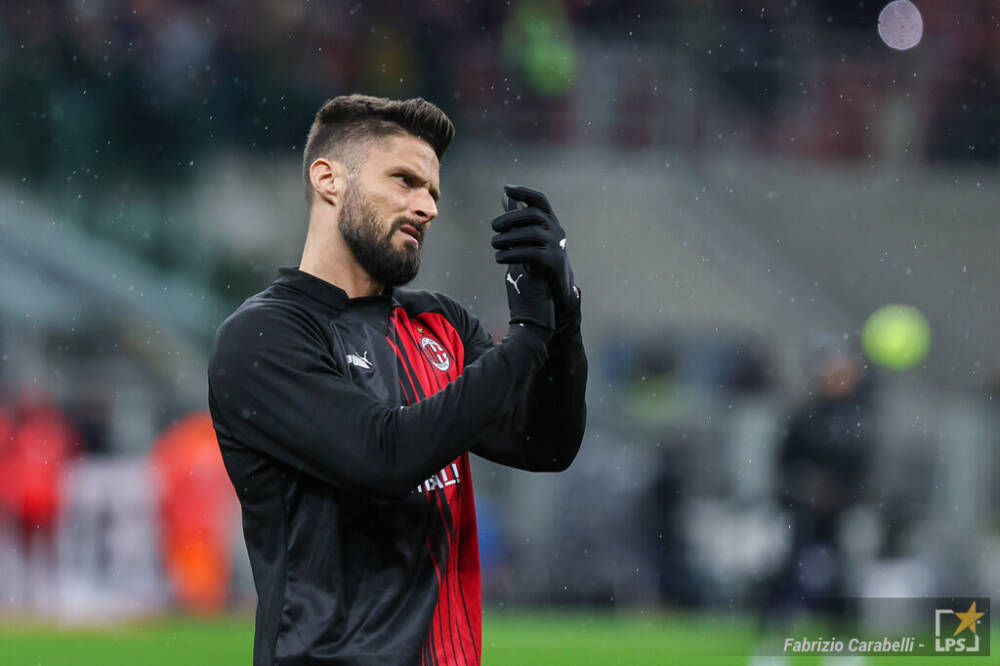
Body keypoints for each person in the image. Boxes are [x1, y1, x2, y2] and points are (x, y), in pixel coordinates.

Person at [207, 94, 587, 665]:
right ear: (329, 179)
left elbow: (545, 443)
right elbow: (385, 457)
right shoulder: (264, 336)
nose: (427, 206)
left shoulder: (441, 323)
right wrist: (530, 335)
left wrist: (564, 317)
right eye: (405, 180)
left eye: (432, 191)